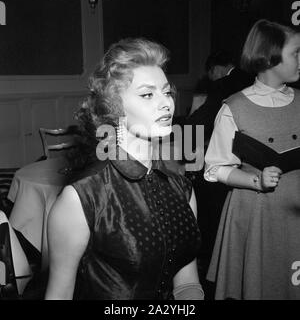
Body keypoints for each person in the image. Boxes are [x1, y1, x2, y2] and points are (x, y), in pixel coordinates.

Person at [44, 38, 204, 300]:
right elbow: (59, 295)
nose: (167, 103)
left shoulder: (183, 189)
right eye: (147, 94)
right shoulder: (83, 197)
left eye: (167, 92)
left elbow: (187, 282)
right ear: (113, 107)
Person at [204, 19, 300, 299]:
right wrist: (256, 180)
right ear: (270, 57)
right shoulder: (234, 108)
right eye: (296, 53)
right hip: (256, 217)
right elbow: (215, 168)